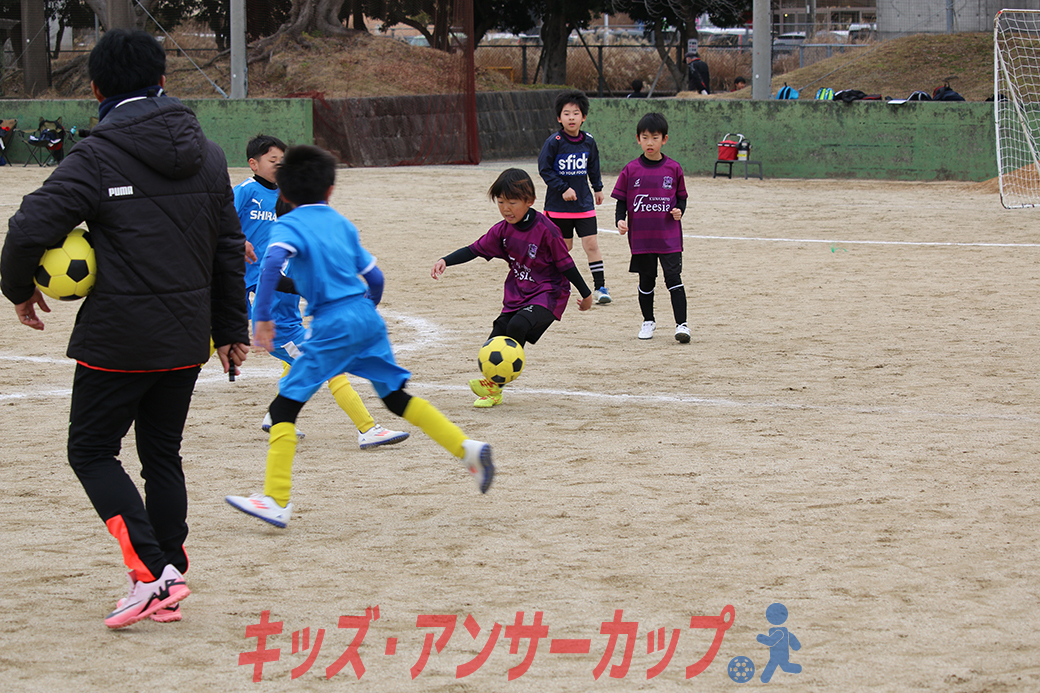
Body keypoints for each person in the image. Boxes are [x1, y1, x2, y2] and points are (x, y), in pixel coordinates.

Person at [0, 29, 249, 628]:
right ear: (162, 80)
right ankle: (168, 573)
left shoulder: (96, 154)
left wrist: (18, 290)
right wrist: (229, 329)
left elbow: (28, 228)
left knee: (90, 450)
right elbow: (228, 247)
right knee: (161, 453)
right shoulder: (211, 153)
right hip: (186, 337)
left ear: (95, 89)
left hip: (118, 338)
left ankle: (153, 574)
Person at [226, 145, 494, 528]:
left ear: (282, 192)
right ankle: (466, 448)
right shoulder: (342, 224)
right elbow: (376, 278)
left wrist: (263, 317)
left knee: (284, 410)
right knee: (396, 398)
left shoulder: (287, 225)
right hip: (367, 318)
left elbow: (270, 266)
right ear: (330, 189)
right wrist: (367, 310)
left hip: (332, 325)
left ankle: (276, 500)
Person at [233, 134, 408, 450]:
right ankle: (368, 429)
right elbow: (270, 274)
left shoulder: (292, 224)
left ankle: (276, 417)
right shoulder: (254, 206)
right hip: (275, 314)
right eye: (273, 161)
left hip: (288, 316)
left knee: (298, 365)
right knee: (332, 369)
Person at [432, 168, 593, 407]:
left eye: (512, 202)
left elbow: (565, 264)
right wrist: (446, 260)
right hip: (519, 294)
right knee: (497, 333)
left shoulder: (547, 230)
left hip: (549, 293)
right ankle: (492, 387)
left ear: (530, 201)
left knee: (518, 325)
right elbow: (474, 249)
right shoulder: (502, 230)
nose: (506, 208)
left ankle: (496, 386)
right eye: (500, 202)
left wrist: (586, 293)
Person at [611, 113, 690, 343]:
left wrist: (680, 210)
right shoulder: (631, 170)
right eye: (645, 137)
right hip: (642, 239)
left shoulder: (673, 168)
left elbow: (682, 198)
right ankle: (648, 321)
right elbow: (621, 201)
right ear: (638, 139)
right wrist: (620, 220)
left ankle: (682, 325)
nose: (650, 142)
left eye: (655, 138)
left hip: (669, 238)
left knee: (674, 279)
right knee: (646, 282)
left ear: (664, 139)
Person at [537, 91, 611, 305]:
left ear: (583, 117)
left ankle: (600, 288)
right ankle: (547, 284)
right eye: (566, 113)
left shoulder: (589, 141)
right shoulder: (554, 142)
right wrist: (563, 188)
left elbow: (593, 166)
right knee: (563, 247)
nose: (571, 117)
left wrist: (597, 188)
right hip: (558, 207)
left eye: (576, 113)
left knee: (591, 244)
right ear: (559, 118)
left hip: (583, 205)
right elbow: (544, 169)